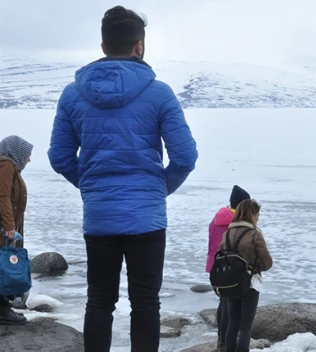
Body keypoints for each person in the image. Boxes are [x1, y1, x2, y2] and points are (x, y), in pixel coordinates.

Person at [47, 6, 198, 352]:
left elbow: (59, 158)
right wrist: (157, 189)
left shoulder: (73, 94)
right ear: (139, 46)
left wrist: (92, 186)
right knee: (146, 303)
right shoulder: (159, 93)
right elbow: (186, 157)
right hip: (146, 216)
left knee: (99, 301)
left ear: (103, 46)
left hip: (99, 216)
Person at [221, 199, 273, 352]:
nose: (258, 218)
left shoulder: (227, 233)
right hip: (250, 284)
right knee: (245, 328)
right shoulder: (254, 234)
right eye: (257, 214)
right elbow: (267, 263)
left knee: (232, 325)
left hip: (230, 283)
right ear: (252, 214)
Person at [207, 185, 251, 352]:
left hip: (215, 267)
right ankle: (224, 344)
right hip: (229, 267)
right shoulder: (235, 223)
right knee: (228, 305)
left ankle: (221, 340)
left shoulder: (217, 219)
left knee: (223, 302)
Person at [0, 135, 33, 325]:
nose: (29, 159)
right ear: (17, 152)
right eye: (27, 154)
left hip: (6, 229)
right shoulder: (6, 166)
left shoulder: (10, 167)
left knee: (4, 266)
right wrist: (10, 227)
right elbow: (3, 196)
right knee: (4, 267)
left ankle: (4, 308)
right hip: (4, 230)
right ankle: (3, 311)